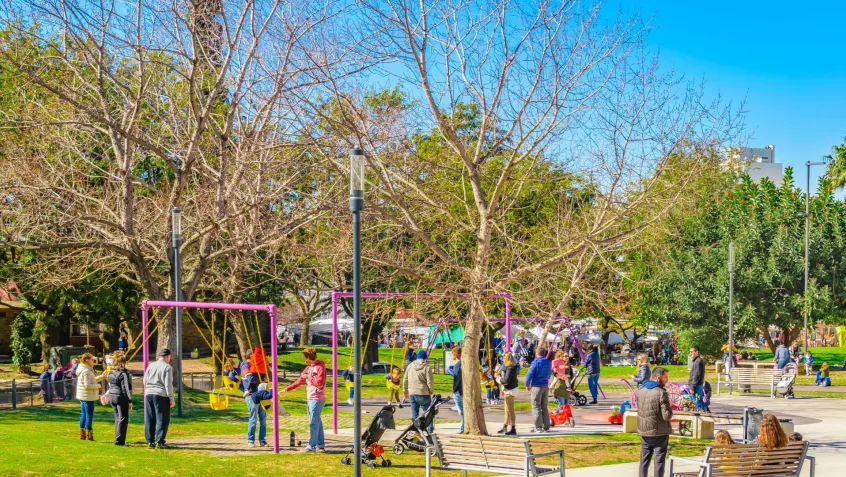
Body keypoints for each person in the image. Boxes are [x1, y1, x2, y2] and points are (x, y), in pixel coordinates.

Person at [280, 346, 327, 452]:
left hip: (317, 398)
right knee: (317, 421)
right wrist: (286, 389)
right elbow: (299, 380)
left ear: (308, 357)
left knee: (314, 422)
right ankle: (321, 444)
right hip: (310, 397)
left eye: (304, 357)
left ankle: (311, 446)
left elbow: (319, 383)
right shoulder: (308, 368)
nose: (303, 359)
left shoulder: (319, 367)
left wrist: (308, 377)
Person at [636, 367, 673, 477]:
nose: (667, 380)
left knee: (644, 460)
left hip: (644, 431)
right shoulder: (661, 392)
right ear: (658, 378)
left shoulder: (640, 391)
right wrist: (670, 409)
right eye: (665, 377)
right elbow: (666, 416)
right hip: (659, 432)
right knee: (659, 461)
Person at [143, 348, 175, 449]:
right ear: (168, 356)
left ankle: (150, 441)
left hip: (148, 393)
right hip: (161, 394)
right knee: (162, 418)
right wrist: (171, 398)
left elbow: (144, 380)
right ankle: (160, 441)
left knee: (150, 417)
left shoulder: (151, 366)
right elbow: (168, 384)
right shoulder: (167, 367)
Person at [76, 353, 106, 441]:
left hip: (83, 396)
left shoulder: (83, 369)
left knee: (84, 414)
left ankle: (82, 433)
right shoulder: (86, 371)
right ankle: (88, 435)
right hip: (87, 396)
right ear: (87, 360)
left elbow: (91, 380)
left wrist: (102, 376)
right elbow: (87, 385)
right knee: (89, 415)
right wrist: (99, 386)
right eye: (92, 359)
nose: (93, 361)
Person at [403, 349, 435, 433]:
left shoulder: (410, 366)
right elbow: (430, 381)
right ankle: (430, 429)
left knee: (415, 414)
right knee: (428, 413)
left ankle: (416, 430)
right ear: (425, 358)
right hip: (423, 393)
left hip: (412, 393)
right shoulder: (427, 368)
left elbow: (405, 379)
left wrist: (405, 390)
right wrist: (431, 391)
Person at [107, 353, 133, 446]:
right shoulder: (123, 374)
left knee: (117, 418)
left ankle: (118, 439)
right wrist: (129, 400)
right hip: (121, 397)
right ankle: (120, 441)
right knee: (123, 419)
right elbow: (125, 388)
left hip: (112, 396)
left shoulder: (110, 372)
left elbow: (110, 385)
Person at [524, 346, 551, 433]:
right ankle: (546, 425)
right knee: (544, 406)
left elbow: (530, 374)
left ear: (537, 353)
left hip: (537, 385)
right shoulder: (548, 362)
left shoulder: (535, 363)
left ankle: (538, 427)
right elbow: (549, 373)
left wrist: (527, 384)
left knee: (536, 406)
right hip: (545, 385)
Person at [499, 352, 519, 435]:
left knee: (510, 410)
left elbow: (506, 380)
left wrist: (499, 379)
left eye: (504, 358)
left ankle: (513, 428)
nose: (503, 359)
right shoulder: (512, 367)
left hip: (510, 391)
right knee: (507, 410)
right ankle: (505, 426)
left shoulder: (510, 368)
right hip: (510, 390)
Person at [245, 383, 270, 447]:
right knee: (253, 420)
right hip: (252, 397)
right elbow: (250, 381)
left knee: (263, 420)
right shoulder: (249, 374)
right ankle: (251, 440)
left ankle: (262, 440)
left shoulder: (262, 374)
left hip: (262, 397)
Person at [449, 348, 463, 433]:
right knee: (461, 410)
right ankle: (463, 426)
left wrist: (454, 389)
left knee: (461, 411)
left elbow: (457, 378)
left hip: (458, 391)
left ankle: (463, 427)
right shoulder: (460, 364)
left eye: (452, 354)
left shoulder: (458, 365)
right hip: (461, 390)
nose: (451, 355)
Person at [688, 346, 705, 411]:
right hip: (697, 385)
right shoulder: (697, 361)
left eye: (692, 352)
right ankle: (702, 414)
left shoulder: (698, 362)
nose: (690, 353)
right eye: (690, 352)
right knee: (698, 401)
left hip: (696, 385)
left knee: (698, 402)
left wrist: (692, 387)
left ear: (697, 352)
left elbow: (696, 375)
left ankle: (701, 416)